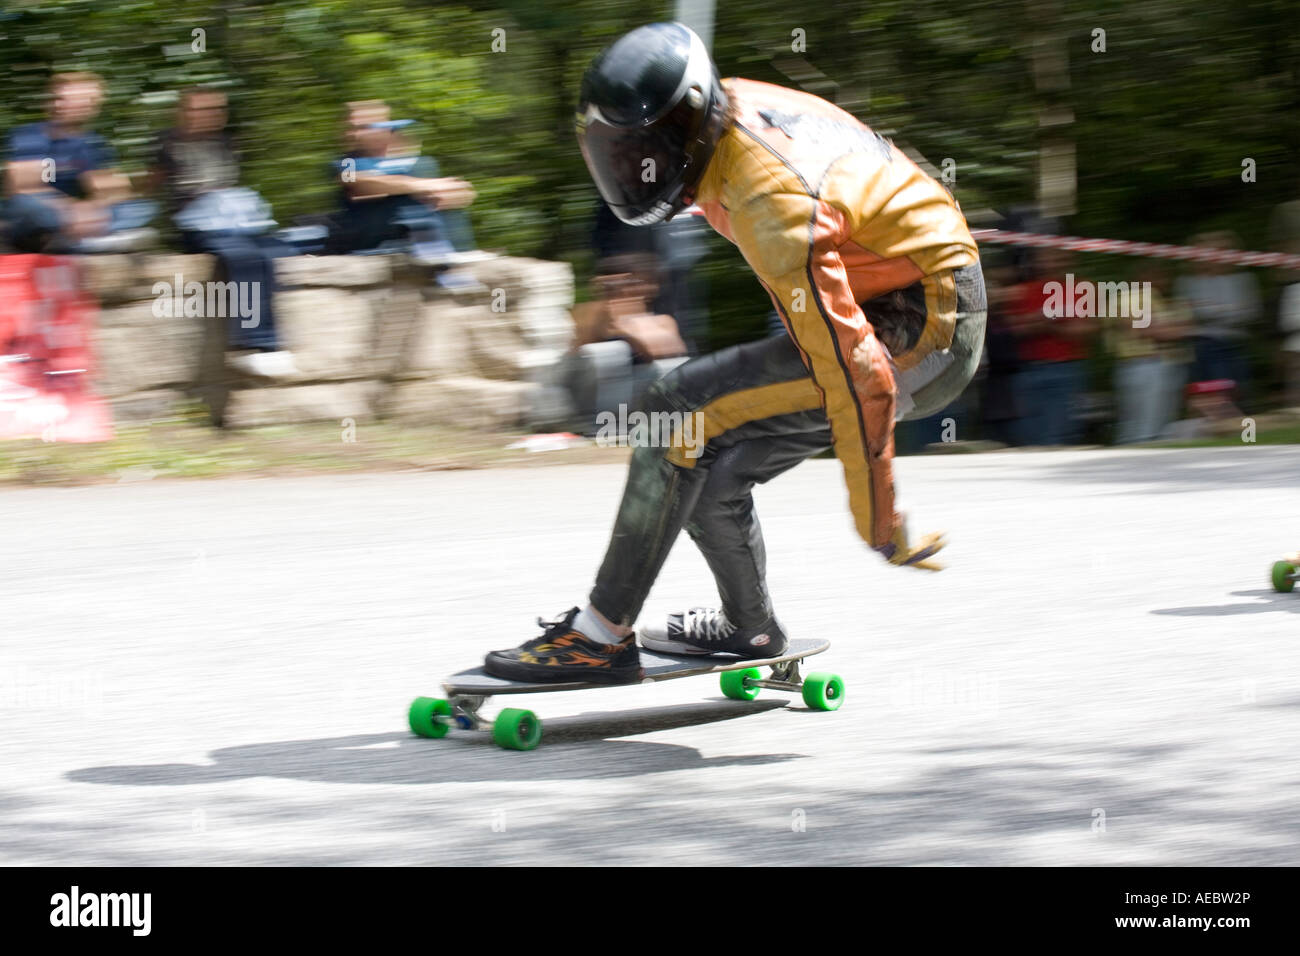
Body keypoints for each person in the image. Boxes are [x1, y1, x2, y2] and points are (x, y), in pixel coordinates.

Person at [483, 22, 985, 684]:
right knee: (710, 473)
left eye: (642, 152)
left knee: (676, 412)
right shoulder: (730, 110)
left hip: (923, 328)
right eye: (617, 155)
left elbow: (863, 377)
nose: (632, 171)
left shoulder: (769, 200)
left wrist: (882, 522)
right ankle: (750, 628)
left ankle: (598, 638)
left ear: (687, 124)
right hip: (896, 285)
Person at [150, 87, 296, 378]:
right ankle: (255, 343)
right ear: (185, 112)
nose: (213, 116)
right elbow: (162, 187)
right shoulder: (167, 143)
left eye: (218, 110)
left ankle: (268, 341)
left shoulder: (226, 143)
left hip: (232, 221)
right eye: (203, 109)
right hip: (195, 227)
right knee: (243, 257)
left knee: (277, 250)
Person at [4, 72, 156, 253]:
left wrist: (92, 207)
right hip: (39, 212)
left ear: (91, 106)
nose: (57, 105)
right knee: (28, 206)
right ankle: (90, 242)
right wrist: (72, 209)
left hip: (73, 218)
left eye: (67, 100)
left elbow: (115, 190)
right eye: (56, 98)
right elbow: (25, 188)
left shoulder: (92, 143)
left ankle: (76, 241)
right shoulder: (31, 136)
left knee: (141, 208)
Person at [327, 100, 478, 268]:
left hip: (414, 237)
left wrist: (455, 193)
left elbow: (446, 191)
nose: (358, 134)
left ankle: (455, 255)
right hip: (370, 238)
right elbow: (356, 183)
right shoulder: (347, 161)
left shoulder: (412, 161)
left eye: (367, 126)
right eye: (357, 128)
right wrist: (422, 186)